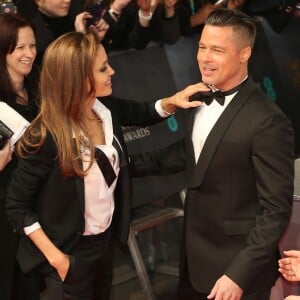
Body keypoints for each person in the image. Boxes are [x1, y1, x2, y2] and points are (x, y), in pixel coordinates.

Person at [5, 30, 202, 300]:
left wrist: (172, 102)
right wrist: (59, 260)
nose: (112, 72)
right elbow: (17, 205)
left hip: (105, 246)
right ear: (79, 78)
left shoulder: (104, 108)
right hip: (67, 255)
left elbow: (142, 112)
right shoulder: (46, 136)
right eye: (102, 68)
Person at [165, 8, 294, 300]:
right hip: (191, 265)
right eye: (202, 47)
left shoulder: (268, 121)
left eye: (217, 50)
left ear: (244, 54)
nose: (205, 58)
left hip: (236, 275)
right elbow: (188, 155)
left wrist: (238, 275)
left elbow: (275, 211)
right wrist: (120, 161)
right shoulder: (197, 98)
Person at [0, 13, 39, 300]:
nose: (29, 54)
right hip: (7, 212)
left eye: (32, 46)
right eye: (20, 47)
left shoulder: (39, 89)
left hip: (40, 204)